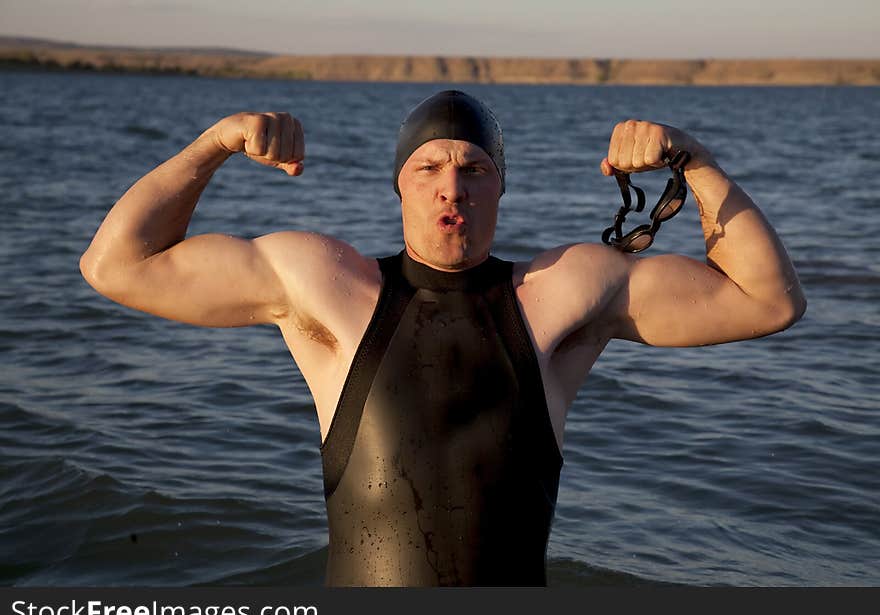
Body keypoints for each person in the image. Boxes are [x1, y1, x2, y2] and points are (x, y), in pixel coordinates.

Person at [80, 90, 806, 586]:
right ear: (400, 185)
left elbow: (768, 301)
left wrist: (696, 162)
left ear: (501, 187)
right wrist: (214, 144)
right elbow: (116, 264)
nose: (450, 188)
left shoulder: (564, 292)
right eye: (427, 168)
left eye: (474, 169)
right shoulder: (328, 287)